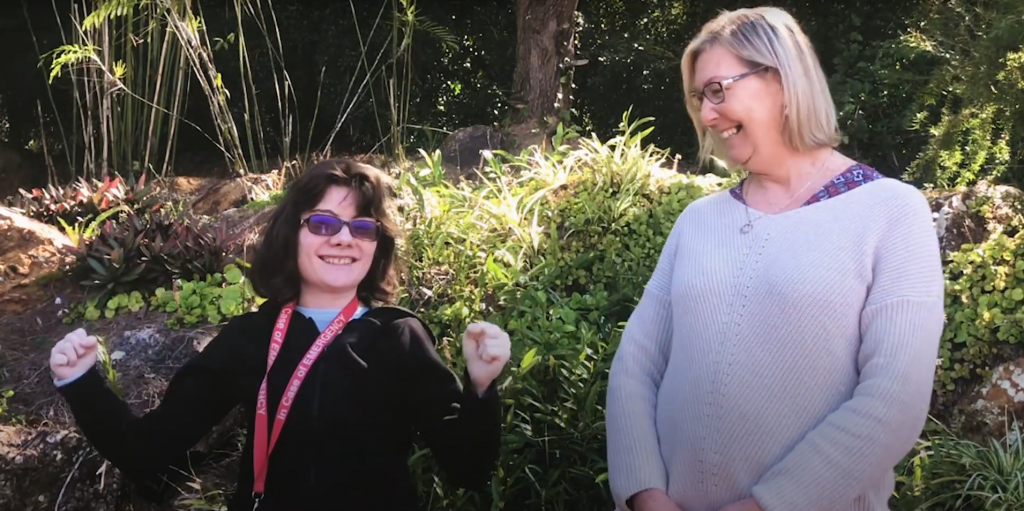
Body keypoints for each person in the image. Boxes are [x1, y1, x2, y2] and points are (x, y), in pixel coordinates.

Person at [605, 7, 944, 511]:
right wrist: (645, 495)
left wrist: (768, 505)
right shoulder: (698, 221)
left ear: (782, 80)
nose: (705, 115)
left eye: (718, 90)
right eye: (699, 98)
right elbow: (636, 366)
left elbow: (893, 399)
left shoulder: (890, 212)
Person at [49, 158, 512, 510]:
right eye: (324, 224)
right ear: (293, 235)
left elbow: (469, 468)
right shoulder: (252, 337)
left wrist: (481, 384)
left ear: (377, 245)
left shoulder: (398, 337)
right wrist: (81, 382)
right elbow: (146, 451)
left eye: (362, 228)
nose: (343, 238)